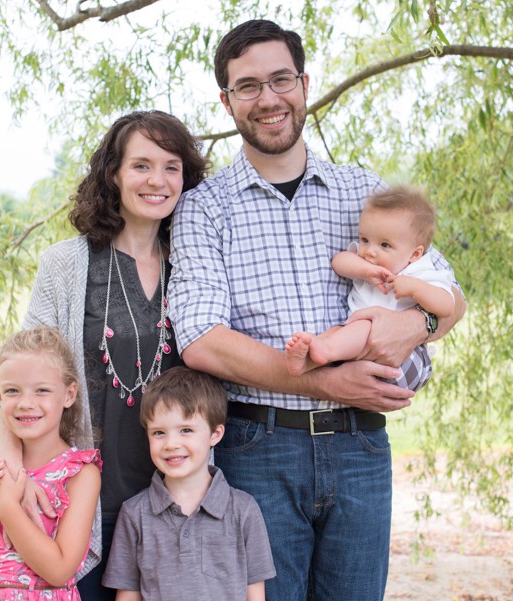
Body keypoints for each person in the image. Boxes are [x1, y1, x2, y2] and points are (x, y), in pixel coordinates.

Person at [167, 19, 466, 601]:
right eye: (248, 86)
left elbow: (448, 299)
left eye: (281, 79)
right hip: (258, 451)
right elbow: (201, 338)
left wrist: (414, 324)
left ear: (304, 84)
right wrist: (331, 381)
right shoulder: (205, 209)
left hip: (360, 449)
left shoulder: (366, 192)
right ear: (227, 102)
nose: (269, 99)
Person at [2, 111, 209, 600]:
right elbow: (23, 379)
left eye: (171, 166)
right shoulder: (65, 264)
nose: (157, 180)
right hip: (81, 503)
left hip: (174, 502)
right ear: (114, 173)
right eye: (141, 165)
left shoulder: (198, 263)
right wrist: (12, 471)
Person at [0, 326, 102, 600]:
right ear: (0, 396)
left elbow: (59, 570)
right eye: (13, 391)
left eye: (41, 390)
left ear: (68, 394)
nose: (26, 403)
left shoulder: (79, 474)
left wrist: (6, 506)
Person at [102, 367, 275, 601]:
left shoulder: (243, 510)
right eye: (159, 433)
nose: (171, 444)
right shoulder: (135, 513)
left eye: (186, 430)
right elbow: (128, 594)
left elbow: (255, 593)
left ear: (215, 433)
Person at [285, 185, 455, 376]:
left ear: (415, 254)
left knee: (361, 327)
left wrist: (416, 288)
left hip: (398, 354)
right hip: (353, 333)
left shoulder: (420, 271)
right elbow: (339, 262)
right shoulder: (368, 263)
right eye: (365, 239)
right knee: (335, 331)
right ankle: (307, 362)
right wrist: (366, 270)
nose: (369, 251)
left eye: (385, 245)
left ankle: (324, 351)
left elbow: (447, 305)